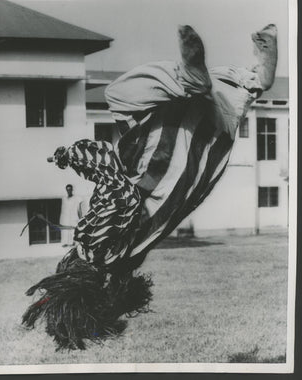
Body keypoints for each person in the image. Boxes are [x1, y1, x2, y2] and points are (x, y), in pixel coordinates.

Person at [22, 24, 278, 350]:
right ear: (69, 279)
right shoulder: (93, 248)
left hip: (206, 152)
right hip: (167, 156)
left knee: (209, 101)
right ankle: (195, 80)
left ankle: (255, 80)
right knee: (120, 96)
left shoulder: (123, 265)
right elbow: (120, 191)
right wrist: (74, 156)